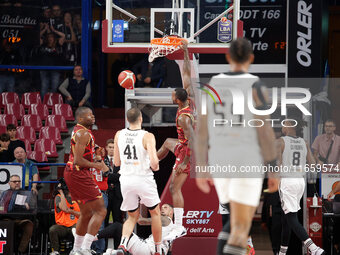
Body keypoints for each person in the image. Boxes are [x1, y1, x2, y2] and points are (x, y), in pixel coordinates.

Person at [194, 38, 278, 255]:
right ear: (251, 58)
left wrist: (202, 165)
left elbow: (202, 130)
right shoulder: (256, 85)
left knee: (234, 221)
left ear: (228, 57)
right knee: (241, 226)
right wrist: (274, 167)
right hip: (245, 156)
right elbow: (265, 130)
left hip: (220, 157)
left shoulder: (212, 84)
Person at [156, 41, 194, 237]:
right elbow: (186, 74)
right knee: (167, 143)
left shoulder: (183, 117)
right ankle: (151, 161)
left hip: (187, 150)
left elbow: (193, 143)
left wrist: (184, 162)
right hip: (181, 144)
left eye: (172, 95)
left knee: (173, 187)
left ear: (177, 100)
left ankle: (179, 225)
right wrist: (186, 52)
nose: (170, 95)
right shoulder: (189, 98)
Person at [113, 107, 162, 255]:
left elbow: (116, 162)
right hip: (143, 178)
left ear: (128, 119)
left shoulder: (118, 134)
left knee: (132, 216)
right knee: (155, 214)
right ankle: (158, 249)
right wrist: (156, 166)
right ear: (141, 118)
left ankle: (122, 244)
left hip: (126, 180)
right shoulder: (147, 136)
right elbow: (154, 164)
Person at [64, 106, 109, 255]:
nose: (93, 116)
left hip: (73, 173)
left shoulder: (81, 131)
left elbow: (79, 151)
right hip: (78, 173)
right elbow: (78, 160)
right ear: (80, 118)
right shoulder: (83, 133)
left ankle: (77, 249)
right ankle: (85, 247)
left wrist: (94, 149)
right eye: (89, 115)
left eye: (92, 113)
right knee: (101, 210)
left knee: (86, 213)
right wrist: (96, 165)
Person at [277, 118, 324, 255]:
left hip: (287, 182)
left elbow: (278, 165)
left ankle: (314, 248)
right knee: (286, 219)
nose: (282, 128)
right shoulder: (305, 142)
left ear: (290, 124)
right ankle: (282, 252)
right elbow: (312, 164)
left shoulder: (281, 141)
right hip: (299, 182)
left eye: (283, 124)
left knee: (291, 218)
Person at [97, 204, 184, 255]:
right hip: (152, 251)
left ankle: (91, 238)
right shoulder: (173, 228)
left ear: (171, 212)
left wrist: (133, 210)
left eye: (165, 208)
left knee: (117, 227)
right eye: (162, 207)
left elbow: (141, 222)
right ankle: (109, 253)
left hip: (146, 249)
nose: (162, 209)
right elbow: (170, 250)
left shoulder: (165, 219)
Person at [2, 175, 35, 254]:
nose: (17, 183)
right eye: (14, 182)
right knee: (5, 224)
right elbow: (1, 206)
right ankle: (6, 249)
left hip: (21, 218)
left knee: (29, 225)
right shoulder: (4, 193)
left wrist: (28, 206)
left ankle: (20, 251)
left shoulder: (26, 193)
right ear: (9, 183)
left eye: (19, 181)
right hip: (7, 218)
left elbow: (32, 208)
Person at [49, 179, 80, 255]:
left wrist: (71, 211)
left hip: (75, 225)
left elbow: (82, 215)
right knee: (53, 229)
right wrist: (61, 193)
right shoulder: (58, 197)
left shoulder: (77, 197)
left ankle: (77, 250)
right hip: (62, 227)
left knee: (80, 228)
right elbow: (64, 208)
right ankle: (56, 251)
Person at [104, 139, 123, 227]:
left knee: (118, 221)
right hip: (106, 194)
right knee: (105, 220)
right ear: (106, 148)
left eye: (114, 147)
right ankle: (104, 241)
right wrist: (116, 176)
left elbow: (123, 177)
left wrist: (109, 176)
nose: (112, 149)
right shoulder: (102, 161)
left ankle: (118, 241)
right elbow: (104, 177)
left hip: (118, 195)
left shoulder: (122, 162)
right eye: (110, 147)